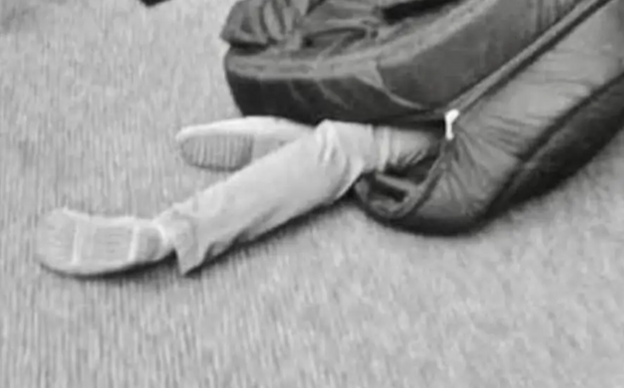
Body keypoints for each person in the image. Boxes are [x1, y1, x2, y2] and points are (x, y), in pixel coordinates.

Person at [35, 116, 442, 278]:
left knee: (348, 146)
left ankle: (172, 233)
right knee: (352, 132)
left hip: (458, 125)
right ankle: (292, 146)